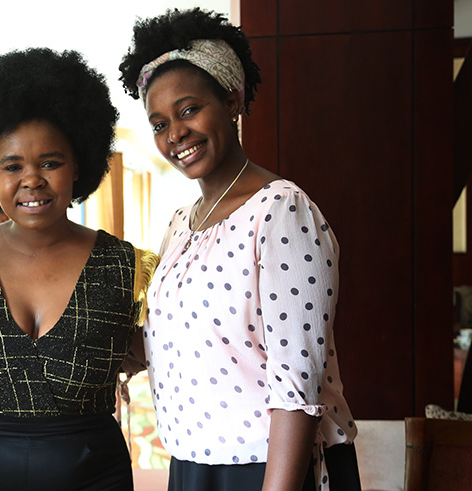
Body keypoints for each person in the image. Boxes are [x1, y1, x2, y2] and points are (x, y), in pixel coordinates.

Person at [118, 8, 361, 491]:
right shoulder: (180, 226)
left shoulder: (280, 211)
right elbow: (174, 342)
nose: (175, 135)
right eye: (159, 123)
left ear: (231, 101)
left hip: (269, 466)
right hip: (193, 462)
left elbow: (297, 386)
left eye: (188, 110)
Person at [0, 48, 158, 491]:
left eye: (51, 162)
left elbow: (150, 351)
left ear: (78, 164)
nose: (32, 179)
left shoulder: (126, 265)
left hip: (94, 474)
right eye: (13, 165)